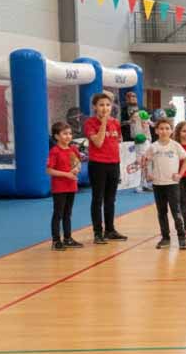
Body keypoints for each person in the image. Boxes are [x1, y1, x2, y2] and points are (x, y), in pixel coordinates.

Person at [84, 93, 127, 245]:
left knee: (110, 199)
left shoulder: (115, 122)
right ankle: (98, 232)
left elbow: (117, 141)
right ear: (95, 107)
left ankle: (110, 230)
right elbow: (98, 142)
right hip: (98, 165)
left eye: (108, 105)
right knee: (98, 199)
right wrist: (103, 123)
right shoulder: (90, 123)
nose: (105, 108)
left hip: (113, 164)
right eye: (101, 105)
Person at [141, 119, 186, 249]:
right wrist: (147, 173)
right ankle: (165, 238)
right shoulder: (153, 147)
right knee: (161, 212)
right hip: (158, 185)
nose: (164, 131)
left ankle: (182, 238)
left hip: (172, 184)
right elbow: (145, 160)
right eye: (161, 128)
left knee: (176, 211)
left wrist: (180, 174)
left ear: (171, 131)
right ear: (156, 131)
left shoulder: (175, 145)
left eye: (167, 128)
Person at [46, 121, 83, 251]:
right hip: (59, 188)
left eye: (70, 134)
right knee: (58, 214)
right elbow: (49, 170)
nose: (68, 136)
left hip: (71, 186)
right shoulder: (54, 151)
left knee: (68, 213)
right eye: (64, 134)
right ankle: (56, 241)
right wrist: (67, 175)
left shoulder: (73, 149)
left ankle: (68, 238)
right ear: (57, 136)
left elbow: (78, 163)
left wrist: (77, 169)